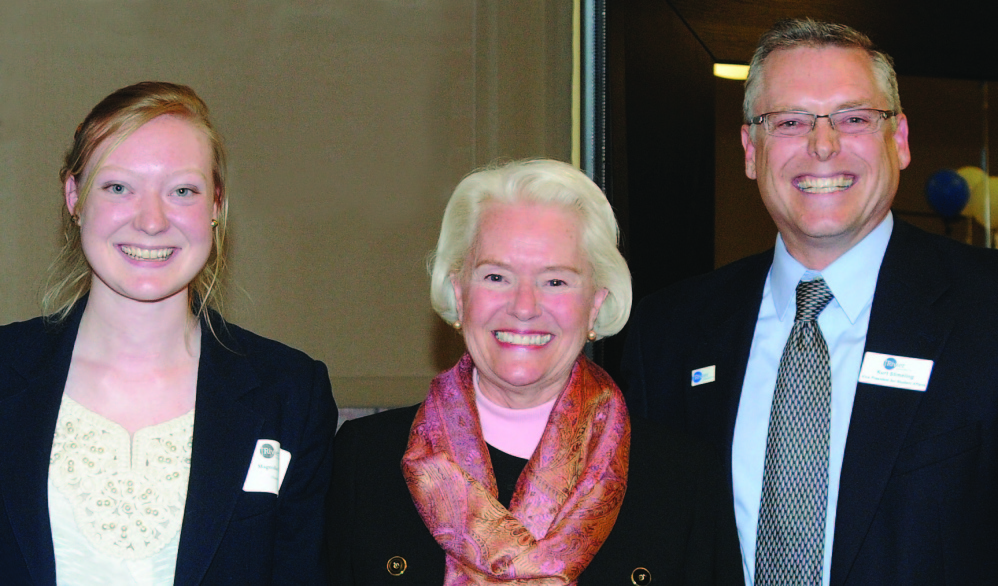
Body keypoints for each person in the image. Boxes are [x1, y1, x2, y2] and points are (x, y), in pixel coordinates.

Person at [622, 17, 998, 586]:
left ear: (899, 140)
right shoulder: (668, 334)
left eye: (853, 118)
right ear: (751, 150)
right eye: (791, 122)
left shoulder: (987, 309)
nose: (823, 146)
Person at [328, 159, 743, 584]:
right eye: (496, 276)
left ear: (595, 305)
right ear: (458, 292)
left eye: (556, 282)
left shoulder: (683, 479)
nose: (524, 307)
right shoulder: (366, 462)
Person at [0, 81, 337, 585]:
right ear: (75, 196)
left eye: (182, 190)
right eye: (118, 187)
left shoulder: (290, 394)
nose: (152, 221)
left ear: (216, 205)